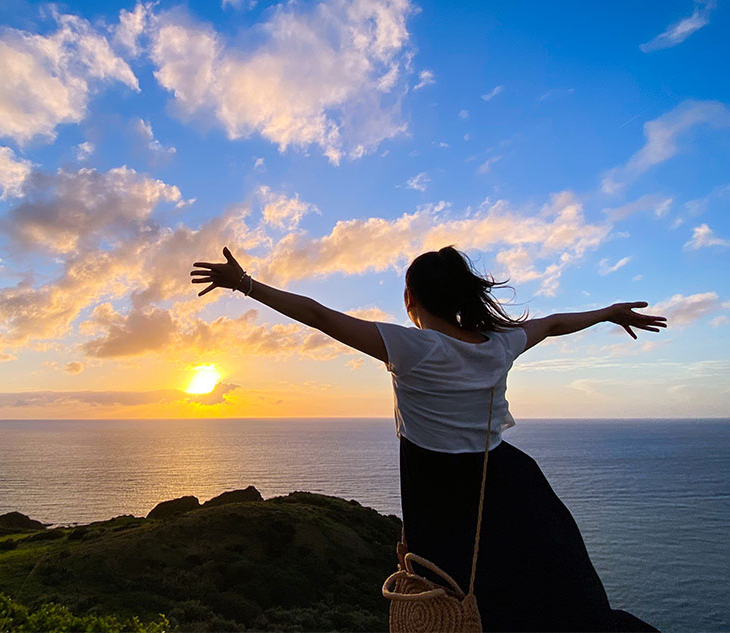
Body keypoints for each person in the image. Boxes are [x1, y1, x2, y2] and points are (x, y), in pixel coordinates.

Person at [191, 245, 665, 632]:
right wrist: (607, 312)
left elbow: (319, 315)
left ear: (410, 299)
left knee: (456, 604)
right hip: (513, 485)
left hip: (441, 498)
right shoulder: (500, 343)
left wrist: (245, 284)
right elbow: (556, 322)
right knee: (546, 599)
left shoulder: (412, 347)